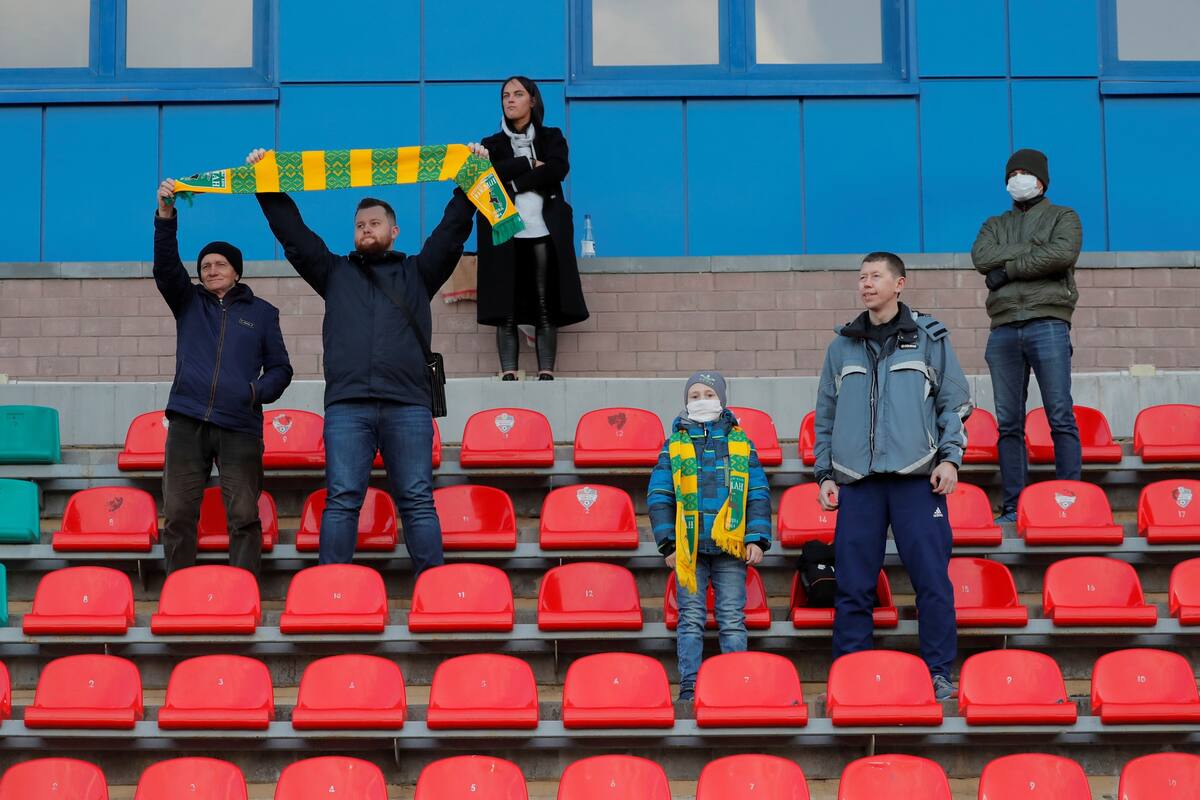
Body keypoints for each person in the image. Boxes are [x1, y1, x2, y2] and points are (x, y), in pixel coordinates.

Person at [246, 146, 476, 572]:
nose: (366, 229)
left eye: (374, 223)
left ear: (394, 231)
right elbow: (293, 236)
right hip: (348, 405)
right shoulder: (333, 272)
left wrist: (470, 180)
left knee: (417, 501)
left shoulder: (418, 272)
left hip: (408, 404)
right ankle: (332, 595)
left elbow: (452, 233)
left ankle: (437, 590)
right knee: (342, 500)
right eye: (359, 225)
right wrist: (266, 181)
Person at [813, 252, 972, 700]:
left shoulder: (930, 338)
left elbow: (954, 404)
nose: (866, 283)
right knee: (852, 587)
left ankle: (938, 673)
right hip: (857, 482)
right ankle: (851, 677)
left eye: (876, 276)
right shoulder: (841, 345)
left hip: (916, 480)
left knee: (932, 583)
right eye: (861, 277)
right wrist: (825, 472)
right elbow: (825, 414)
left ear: (899, 284)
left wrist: (949, 459)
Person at [153, 179, 293, 577]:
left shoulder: (262, 313)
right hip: (187, 421)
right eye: (204, 267)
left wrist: (253, 393)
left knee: (244, 514)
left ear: (235, 272)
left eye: (219, 264)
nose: (210, 270)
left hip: (240, 425)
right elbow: (165, 265)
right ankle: (177, 590)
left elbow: (281, 368)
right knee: (179, 513)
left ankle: (243, 588)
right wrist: (166, 215)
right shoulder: (187, 302)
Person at [971, 148, 1083, 524]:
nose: (1018, 178)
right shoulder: (993, 223)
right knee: (1009, 423)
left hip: (1048, 322)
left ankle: (1071, 499)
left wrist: (1010, 267)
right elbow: (981, 258)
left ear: (1041, 180)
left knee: (1060, 415)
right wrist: (1032, 252)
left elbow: (1062, 254)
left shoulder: (1063, 216)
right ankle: (1014, 505)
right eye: (1012, 172)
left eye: (1025, 172)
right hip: (1003, 328)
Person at [648, 371, 772, 702]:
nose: (702, 400)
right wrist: (669, 544)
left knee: (732, 619)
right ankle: (690, 685)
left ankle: (735, 685)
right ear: (686, 402)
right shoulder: (674, 445)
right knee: (690, 619)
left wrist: (756, 538)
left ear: (721, 399)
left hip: (731, 549)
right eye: (694, 396)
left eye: (708, 394)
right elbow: (660, 495)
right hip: (689, 550)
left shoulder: (741, 443)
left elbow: (757, 492)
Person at [474, 75, 588, 381]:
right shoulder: (490, 144)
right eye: (505, 95)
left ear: (532, 100)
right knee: (505, 303)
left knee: (544, 300)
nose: (510, 100)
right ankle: (508, 372)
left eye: (518, 94)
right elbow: (490, 177)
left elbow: (558, 169)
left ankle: (546, 373)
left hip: (543, 230)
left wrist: (514, 179)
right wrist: (529, 164)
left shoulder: (552, 137)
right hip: (505, 231)